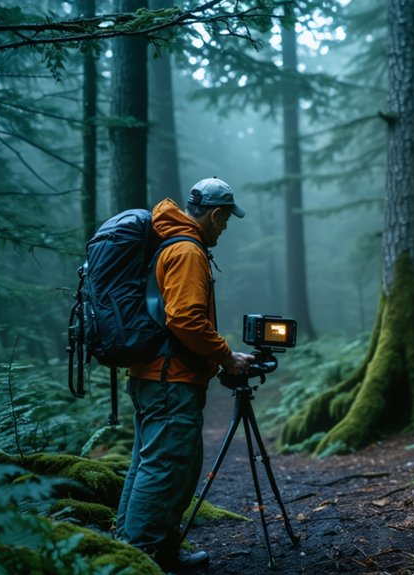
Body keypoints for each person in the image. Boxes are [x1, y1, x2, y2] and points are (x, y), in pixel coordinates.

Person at [116, 177, 255, 572]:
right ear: (215, 214)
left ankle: (141, 548)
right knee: (165, 467)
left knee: (151, 465)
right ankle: (141, 559)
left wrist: (222, 355)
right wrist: (226, 356)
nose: (224, 228)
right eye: (225, 220)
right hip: (169, 380)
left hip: (154, 376)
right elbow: (186, 320)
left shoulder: (170, 243)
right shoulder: (187, 250)